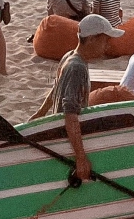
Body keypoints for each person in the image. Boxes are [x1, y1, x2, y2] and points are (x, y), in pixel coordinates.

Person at [29, 15, 125, 181]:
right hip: (66, 139)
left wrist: (41, 113)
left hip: (61, 130)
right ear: (92, 39)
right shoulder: (77, 67)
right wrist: (80, 158)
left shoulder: (69, 56)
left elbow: (56, 87)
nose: (108, 45)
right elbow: (71, 114)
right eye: (106, 40)